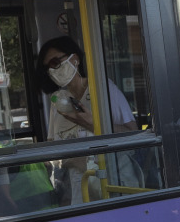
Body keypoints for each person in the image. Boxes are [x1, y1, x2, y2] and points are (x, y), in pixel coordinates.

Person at [35, 36, 139, 205]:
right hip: (79, 189)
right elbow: (53, 147)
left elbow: (132, 133)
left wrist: (92, 124)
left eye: (55, 63)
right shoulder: (58, 101)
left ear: (74, 59)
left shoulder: (102, 89)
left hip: (114, 183)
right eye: (47, 68)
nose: (52, 71)